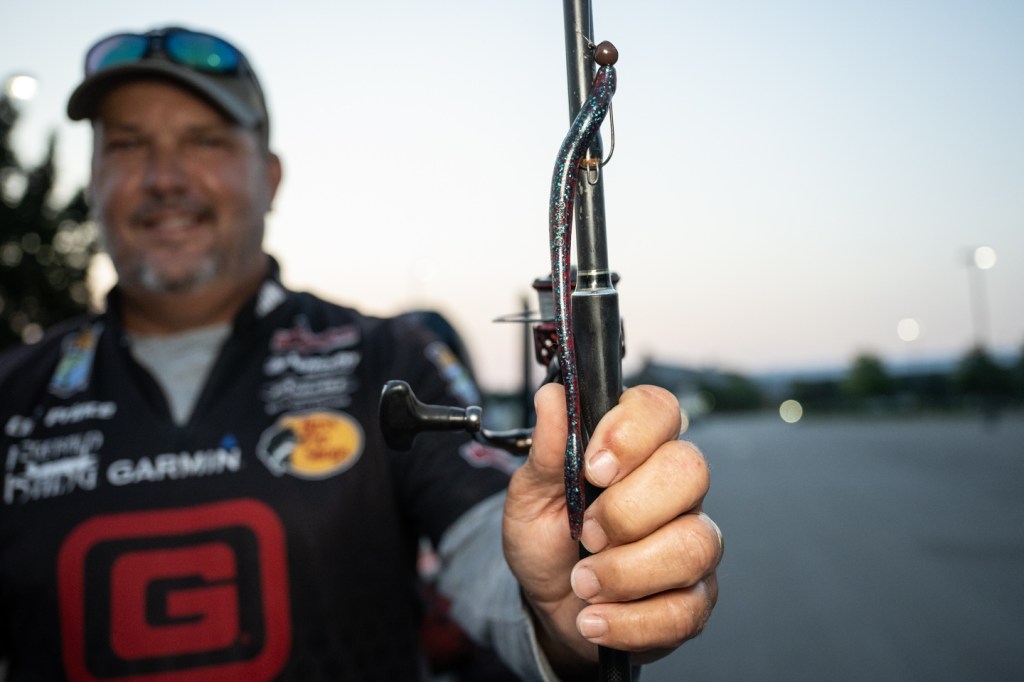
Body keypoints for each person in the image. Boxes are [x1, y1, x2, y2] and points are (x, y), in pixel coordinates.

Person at [0, 26, 722, 681]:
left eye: (205, 140)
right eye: (127, 145)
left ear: (270, 177)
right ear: (93, 179)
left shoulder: (387, 355)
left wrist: (563, 607)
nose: (164, 178)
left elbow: (492, 546)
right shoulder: (12, 390)